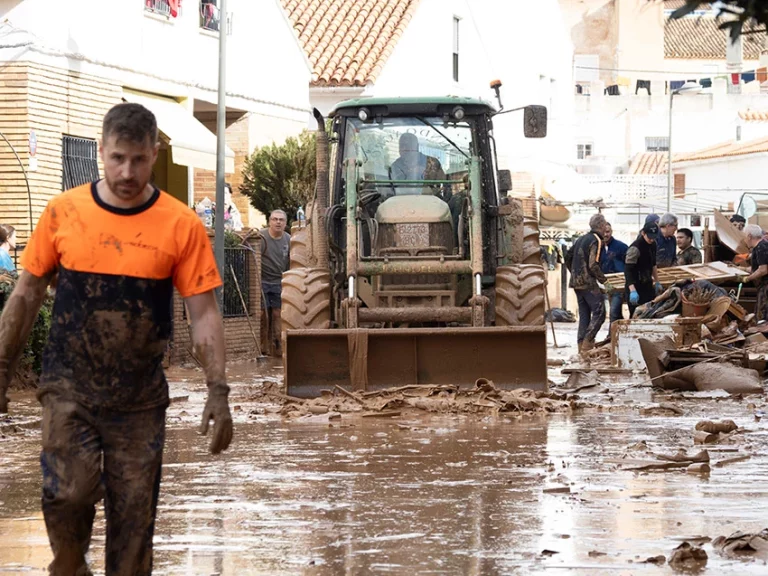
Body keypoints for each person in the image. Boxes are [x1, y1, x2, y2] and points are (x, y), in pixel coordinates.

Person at [0, 103, 233, 575]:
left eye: (139, 160)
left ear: (154, 154)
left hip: (140, 402)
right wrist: (1, 368)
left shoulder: (180, 224)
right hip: (68, 388)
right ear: (102, 151)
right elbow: (25, 296)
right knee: (66, 495)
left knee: (133, 530)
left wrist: (218, 389)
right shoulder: (64, 212)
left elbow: (203, 313)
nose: (127, 172)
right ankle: (69, 562)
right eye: (117, 158)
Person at [566, 213, 614, 354]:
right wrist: (606, 283)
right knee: (600, 313)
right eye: (605, 223)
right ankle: (587, 345)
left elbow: (568, 256)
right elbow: (593, 265)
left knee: (585, 315)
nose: (606, 226)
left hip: (576, 283)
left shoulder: (581, 238)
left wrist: (575, 272)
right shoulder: (596, 240)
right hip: (587, 283)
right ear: (601, 225)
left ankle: (581, 350)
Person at [260, 209, 290, 356]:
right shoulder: (261, 237)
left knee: (278, 314)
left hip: (279, 282)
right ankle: (263, 346)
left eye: (281, 220)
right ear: (269, 221)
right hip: (262, 281)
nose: (278, 222)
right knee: (263, 314)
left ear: (285, 223)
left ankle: (278, 345)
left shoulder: (289, 240)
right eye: (275, 219)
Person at [625, 221, 663, 317]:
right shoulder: (635, 248)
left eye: (654, 237)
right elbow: (628, 270)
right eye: (649, 237)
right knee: (635, 316)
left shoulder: (653, 244)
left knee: (649, 314)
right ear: (643, 233)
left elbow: (653, 264)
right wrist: (632, 290)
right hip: (635, 286)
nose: (651, 240)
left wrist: (657, 281)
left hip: (647, 284)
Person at [600, 222, 627, 324]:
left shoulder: (621, 247)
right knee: (603, 312)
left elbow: (629, 265)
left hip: (618, 285)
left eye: (608, 232)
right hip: (602, 284)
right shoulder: (597, 247)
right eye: (603, 232)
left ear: (611, 232)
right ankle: (616, 333)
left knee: (614, 311)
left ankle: (612, 335)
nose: (605, 234)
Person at [744, 224, 768, 322]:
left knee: (762, 317)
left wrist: (748, 278)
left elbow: (763, 270)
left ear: (749, 236)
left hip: (766, 286)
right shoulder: (759, 247)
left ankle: (763, 337)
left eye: (745, 237)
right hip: (763, 286)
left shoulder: (761, 247)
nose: (744, 240)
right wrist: (740, 269)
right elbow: (756, 268)